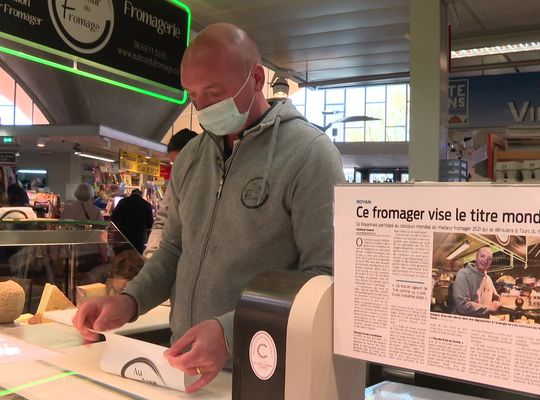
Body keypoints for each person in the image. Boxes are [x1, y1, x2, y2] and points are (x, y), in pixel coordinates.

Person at [73, 22, 344, 393]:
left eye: (214, 92)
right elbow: (172, 250)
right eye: (194, 95)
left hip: (265, 369)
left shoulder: (310, 155)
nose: (203, 107)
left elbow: (322, 277)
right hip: (183, 362)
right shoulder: (191, 160)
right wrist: (129, 300)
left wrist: (231, 332)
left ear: (256, 78)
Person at [143, 128, 198, 259]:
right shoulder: (175, 185)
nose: (178, 168)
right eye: (174, 163)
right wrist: (151, 253)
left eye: (182, 162)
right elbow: (161, 221)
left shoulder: (215, 180)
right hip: (174, 260)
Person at [452, 246, 502, 318]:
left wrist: (506, 297)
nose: (486, 260)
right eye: (482, 256)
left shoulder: (488, 278)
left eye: (489, 259)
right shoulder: (464, 274)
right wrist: (491, 308)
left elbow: (496, 297)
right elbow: (462, 306)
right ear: (476, 257)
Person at [110, 189, 153, 254]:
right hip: (138, 238)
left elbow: (113, 218)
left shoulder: (122, 202)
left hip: (123, 236)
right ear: (141, 195)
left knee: (121, 257)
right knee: (135, 259)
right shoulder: (147, 205)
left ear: (131, 194)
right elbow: (149, 225)